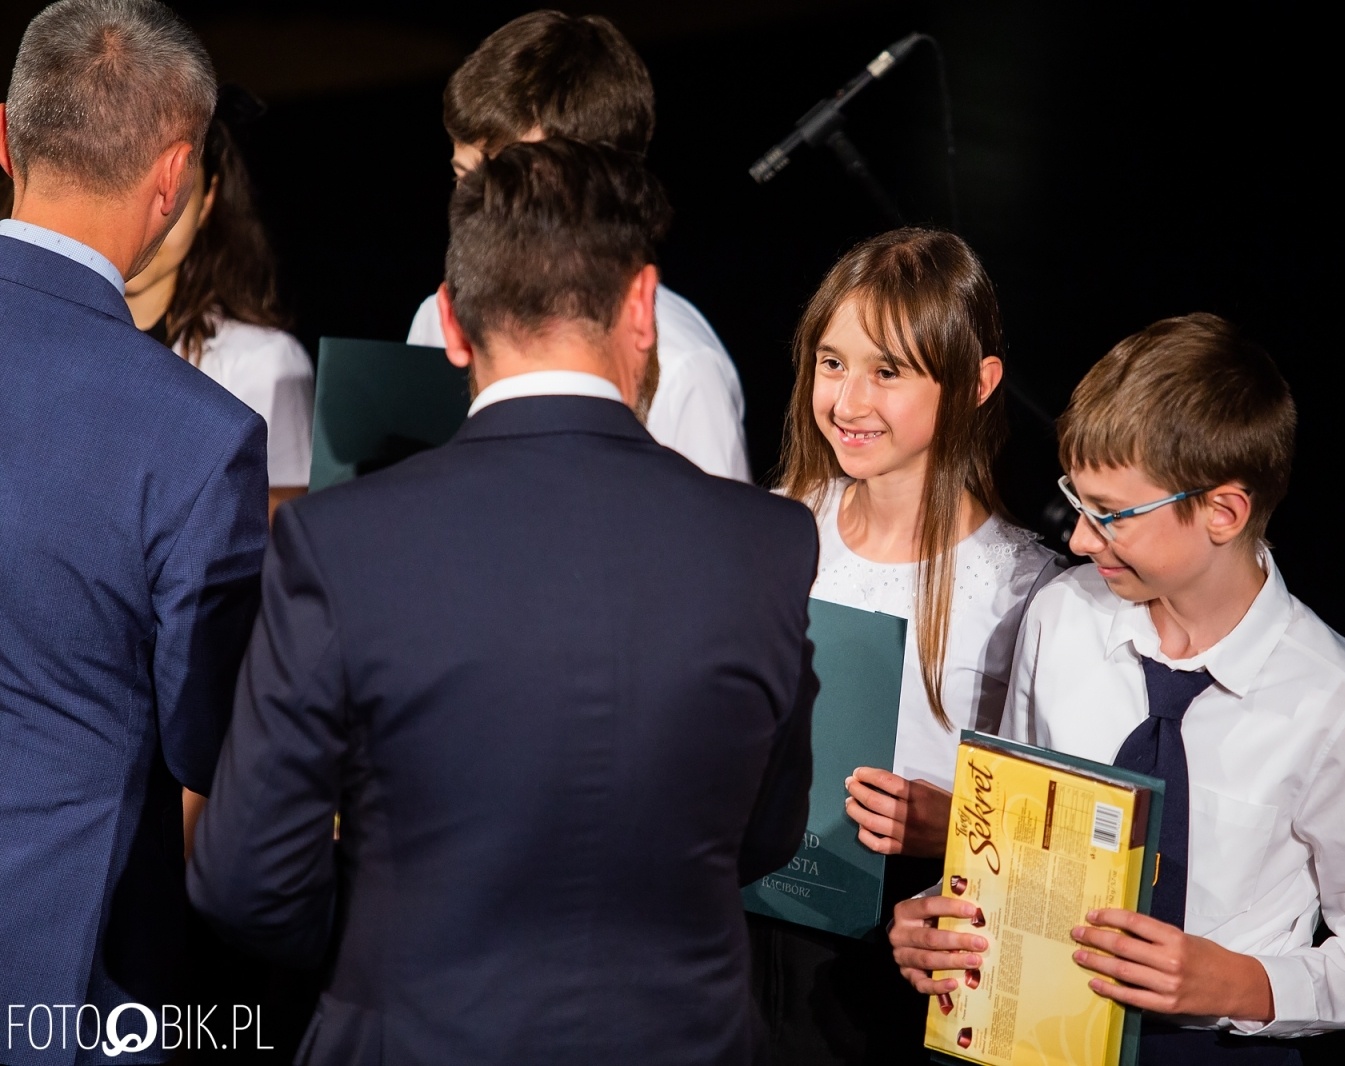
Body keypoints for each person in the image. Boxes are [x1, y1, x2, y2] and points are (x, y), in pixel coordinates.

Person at [188, 138, 818, 1066]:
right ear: (641, 306)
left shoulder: (341, 543)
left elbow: (242, 879)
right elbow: (766, 833)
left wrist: (385, 950)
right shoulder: (767, 544)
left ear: (450, 322)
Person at [888, 314, 1345, 1063]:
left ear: (1223, 512)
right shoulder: (1060, 619)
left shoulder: (1335, 705)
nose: (1078, 539)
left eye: (1110, 516)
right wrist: (932, 916)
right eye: (1077, 503)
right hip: (1035, 1028)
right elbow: (1003, 846)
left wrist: (1238, 982)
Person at [0, 0, 266, 1057]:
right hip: (64, 977)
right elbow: (212, 742)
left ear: (5, 140)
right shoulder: (196, 438)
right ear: (173, 178)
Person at [751, 227, 1059, 1065]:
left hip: (907, 952)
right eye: (833, 362)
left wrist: (949, 823)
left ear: (977, 383)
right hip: (754, 924)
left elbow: (1055, 826)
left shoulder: (1022, 591)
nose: (849, 402)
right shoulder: (781, 524)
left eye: (888, 371)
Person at [405, 10, 750, 481]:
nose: (479, 209)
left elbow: (711, 540)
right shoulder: (437, 319)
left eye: (512, 183)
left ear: (599, 180)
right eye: (465, 179)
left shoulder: (684, 368)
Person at [124, 86, 313, 521]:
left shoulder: (265, 361)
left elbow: (289, 524)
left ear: (207, 200)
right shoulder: (37, 336)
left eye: (175, 187)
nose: (153, 214)